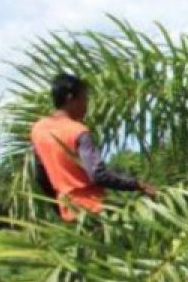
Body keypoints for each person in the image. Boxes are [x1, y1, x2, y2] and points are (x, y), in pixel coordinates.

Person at [30, 73, 156, 221]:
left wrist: (59, 209)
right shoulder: (78, 131)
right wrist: (138, 185)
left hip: (69, 213)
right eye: (84, 99)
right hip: (95, 212)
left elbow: (40, 176)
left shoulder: (38, 130)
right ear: (70, 98)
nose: (86, 106)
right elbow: (99, 175)